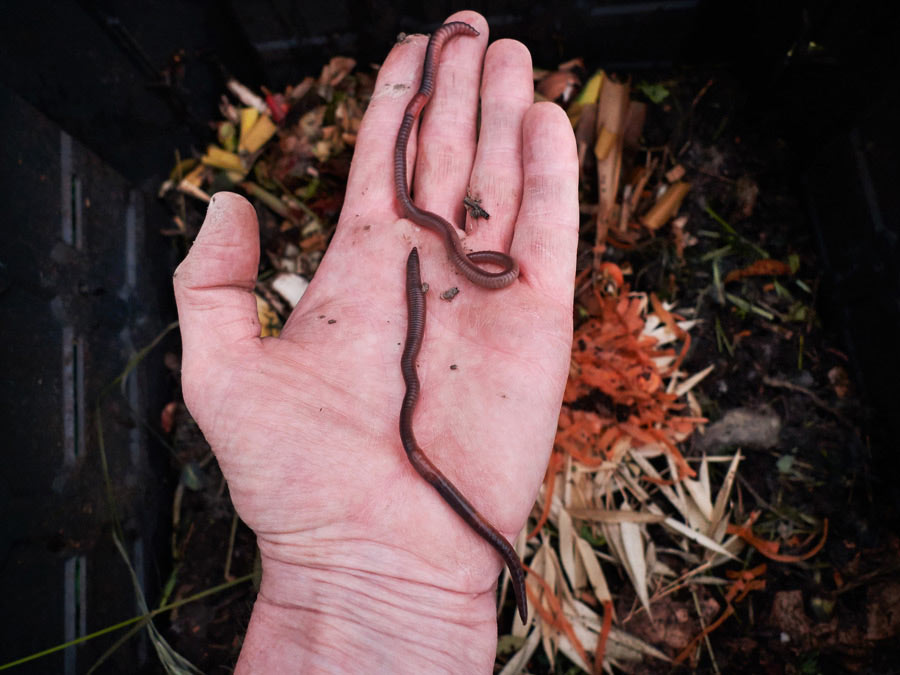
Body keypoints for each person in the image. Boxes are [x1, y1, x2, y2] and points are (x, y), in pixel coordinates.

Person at [173, 10, 577, 673]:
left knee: (418, 358)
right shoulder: (425, 250)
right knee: (411, 374)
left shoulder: (447, 253)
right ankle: (507, 568)